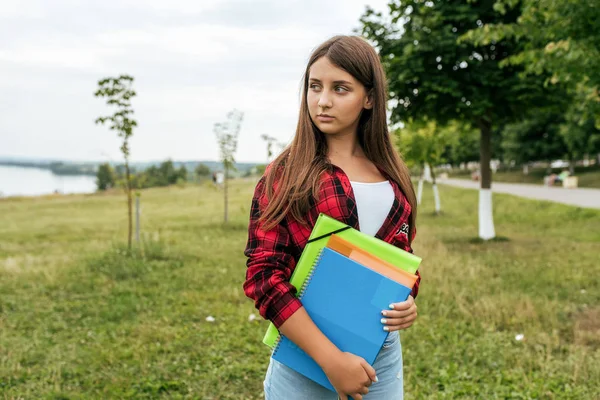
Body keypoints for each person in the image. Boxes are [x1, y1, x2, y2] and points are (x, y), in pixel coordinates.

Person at [243, 35, 421, 400]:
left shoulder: (391, 175)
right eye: (314, 86)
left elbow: (398, 257)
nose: (322, 101)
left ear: (369, 98)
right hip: (306, 361)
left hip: (380, 360)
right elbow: (264, 278)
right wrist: (330, 360)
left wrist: (408, 300)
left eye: (340, 88)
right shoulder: (287, 175)